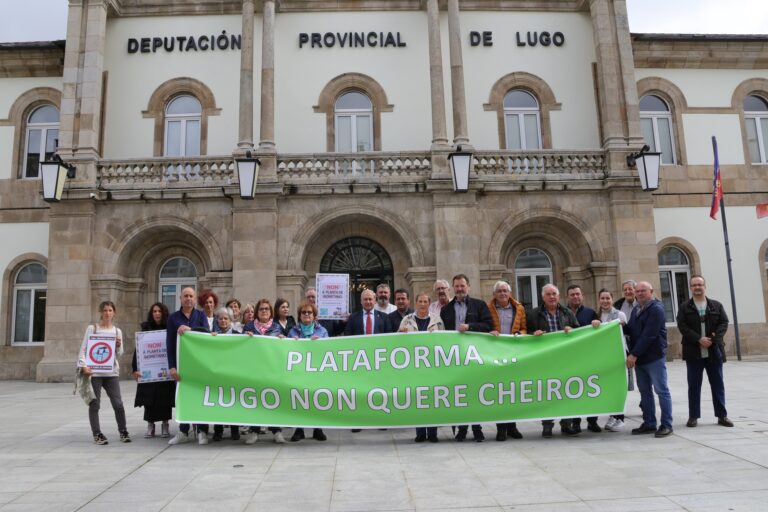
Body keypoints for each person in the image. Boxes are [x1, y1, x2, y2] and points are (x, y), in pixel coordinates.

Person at [440, 274, 492, 442]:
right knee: (459, 395)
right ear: (453, 288)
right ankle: (461, 429)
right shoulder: (446, 309)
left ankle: (477, 429)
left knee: (474, 394)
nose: (460, 289)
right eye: (457, 286)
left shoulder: (479, 305)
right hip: (454, 358)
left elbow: (488, 325)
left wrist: (470, 326)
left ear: (468, 287)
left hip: (475, 356)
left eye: (462, 286)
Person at [676, 275, 732, 428]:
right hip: (693, 352)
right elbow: (682, 326)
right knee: (694, 385)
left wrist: (712, 340)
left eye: (699, 285)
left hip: (714, 352)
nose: (697, 287)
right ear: (690, 288)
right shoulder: (684, 307)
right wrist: (698, 339)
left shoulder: (716, 305)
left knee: (718, 384)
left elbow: (724, 323)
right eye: (694, 285)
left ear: (704, 286)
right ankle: (693, 416)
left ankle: (722, 416)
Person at [527, 284, 580, 437]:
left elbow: (578, 330)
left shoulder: (567, 312)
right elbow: (526, 333)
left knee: (566, 390)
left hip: (565, 358)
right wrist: (533, 334)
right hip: (545, 359)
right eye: (548, 294)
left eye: (554, 294)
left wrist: (572, 330)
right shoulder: (534, 314)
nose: (552, 297)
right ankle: (547, 424)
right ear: (543, 297)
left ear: (558, 295)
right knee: (547, 392)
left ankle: (566, 424)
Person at [77, 301, 130, 445]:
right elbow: (83, 348)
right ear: (100, 312)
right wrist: (83, 366)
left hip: (111, 372)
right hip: (94, 373)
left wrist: (118, 346)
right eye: (105, 310)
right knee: (95, 404)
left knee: (118, 403)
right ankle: (97, 434)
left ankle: (123, 430)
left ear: (114, 313)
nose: (107, 313)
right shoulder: (92, 329)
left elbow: (119, 353)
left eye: (110, 310)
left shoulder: (117, 331)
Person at [625, 281, 674, 438]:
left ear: (651, 291)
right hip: (641, 359)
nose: (639, 293)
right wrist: (617, 325)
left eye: (643, 291)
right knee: (645, 392)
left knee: (661, 391)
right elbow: (632, 330)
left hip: (654, 357)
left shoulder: (656, 309)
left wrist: (633, 354)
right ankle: (649, 423)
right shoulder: (636, 309)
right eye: (637, 291)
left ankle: (667, 425)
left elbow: (649, 335)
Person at [167, 287, 210, 445]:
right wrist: (172, 366)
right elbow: (170, 344)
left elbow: (206, 335)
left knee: (200, 396)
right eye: (185, 296)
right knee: (183, 398)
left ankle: (202, 431)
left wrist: (190, 331)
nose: (188, 299)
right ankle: (183, 431)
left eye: (191, 296)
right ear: (180, 298)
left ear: (195, 298)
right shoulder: (173, 318)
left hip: (199, 365)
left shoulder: (201, 315)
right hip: (181, 365)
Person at [399, 292, 444, 442]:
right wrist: (401, 332)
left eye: (425, 301)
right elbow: (397, 342)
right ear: (416, 303)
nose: (423, 304)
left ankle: (432, 433)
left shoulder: (437, 320)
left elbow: (444, 340)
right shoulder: (407, 320)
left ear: (429, 303)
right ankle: (420, 433)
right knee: (418, 399)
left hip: (432, 366)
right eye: (420, 301)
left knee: (432, 399)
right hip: (414, 366)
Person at [487, 280, 526, 441]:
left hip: (512, 353)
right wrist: (490, 332)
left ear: (509, 293)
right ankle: (501, 428)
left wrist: (521, 334)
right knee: (499, 391)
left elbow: (524, 327)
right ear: (494, 294)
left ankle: (512, 426)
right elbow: (484, 326)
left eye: (505, 291)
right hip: (494, 355)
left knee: (512, 391)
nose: (502, 293)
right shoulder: (488, 308)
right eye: (499, 291)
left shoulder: (519, 308)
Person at [242, 299, 285, 443]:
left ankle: (276, 431)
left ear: (271, 311)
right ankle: (254, 431)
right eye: (261, 309)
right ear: (257, 312)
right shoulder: (249, 326)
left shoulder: (277, 327)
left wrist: (283, 340)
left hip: (271, 370)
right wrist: (244, 338)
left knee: (273, 399)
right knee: (255, 400)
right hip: (254, 370)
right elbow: (240, 346)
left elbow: (284, 349)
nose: (264, 311)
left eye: (267, 309)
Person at [288, 301, 329, 442]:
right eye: (303, 312)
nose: (306, 314)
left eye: (309, 312)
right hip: (299, 372)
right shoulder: (292, 331)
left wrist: (320, 344)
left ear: (314, 316)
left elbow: (329, 349)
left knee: (316, 398)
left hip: (316, 371)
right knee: (299, 398)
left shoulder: (322, 331)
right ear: (299, 316)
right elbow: (286, 351)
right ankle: (299, 430)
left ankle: (318, 429)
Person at [131, 302, 174, 438]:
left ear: (164, 313)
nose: (157, 314)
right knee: (149, 398)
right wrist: (135, 369)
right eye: (154, 311)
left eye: (159, 311)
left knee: (164, 398)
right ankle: (150, 425)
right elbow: (138, 350)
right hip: (149, 370)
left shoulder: (169, 328)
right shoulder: (145, 328)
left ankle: (165, 424)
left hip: (164, 369)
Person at [566, 284, 601, 434]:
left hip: (588, 357)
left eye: (577, 294)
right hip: (571, 358)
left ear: (582, 296)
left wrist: (597, 324)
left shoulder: (590, 312)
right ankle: (576, 422)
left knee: (590, 390)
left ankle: (592, 421)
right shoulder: (563, 312)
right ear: (568, 297)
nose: (575, 297)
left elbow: (600, 332)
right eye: (572, 294)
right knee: (574, 391)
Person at [595, 289, 629, 432]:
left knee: (619, 385)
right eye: (602, 298)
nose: (605, 301)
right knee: (608, 387)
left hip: (618, 354)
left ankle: (620, 417)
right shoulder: (597, 315)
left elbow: (626, 332)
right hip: (604, 355)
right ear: (599, 300)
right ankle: (612, 415)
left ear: (612, 299)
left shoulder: (619, 314)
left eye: (607, 298)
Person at [210, 307, 242, 441]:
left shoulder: (238, 335)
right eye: (220, 318)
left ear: (231, 320)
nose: (223, 321)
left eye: (226, 318)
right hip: (218, 374)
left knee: (233, 402)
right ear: (217, 320)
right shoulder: (212, 336)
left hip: (233, 374)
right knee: (219, 402)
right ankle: (218, 431)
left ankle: (235, 430)